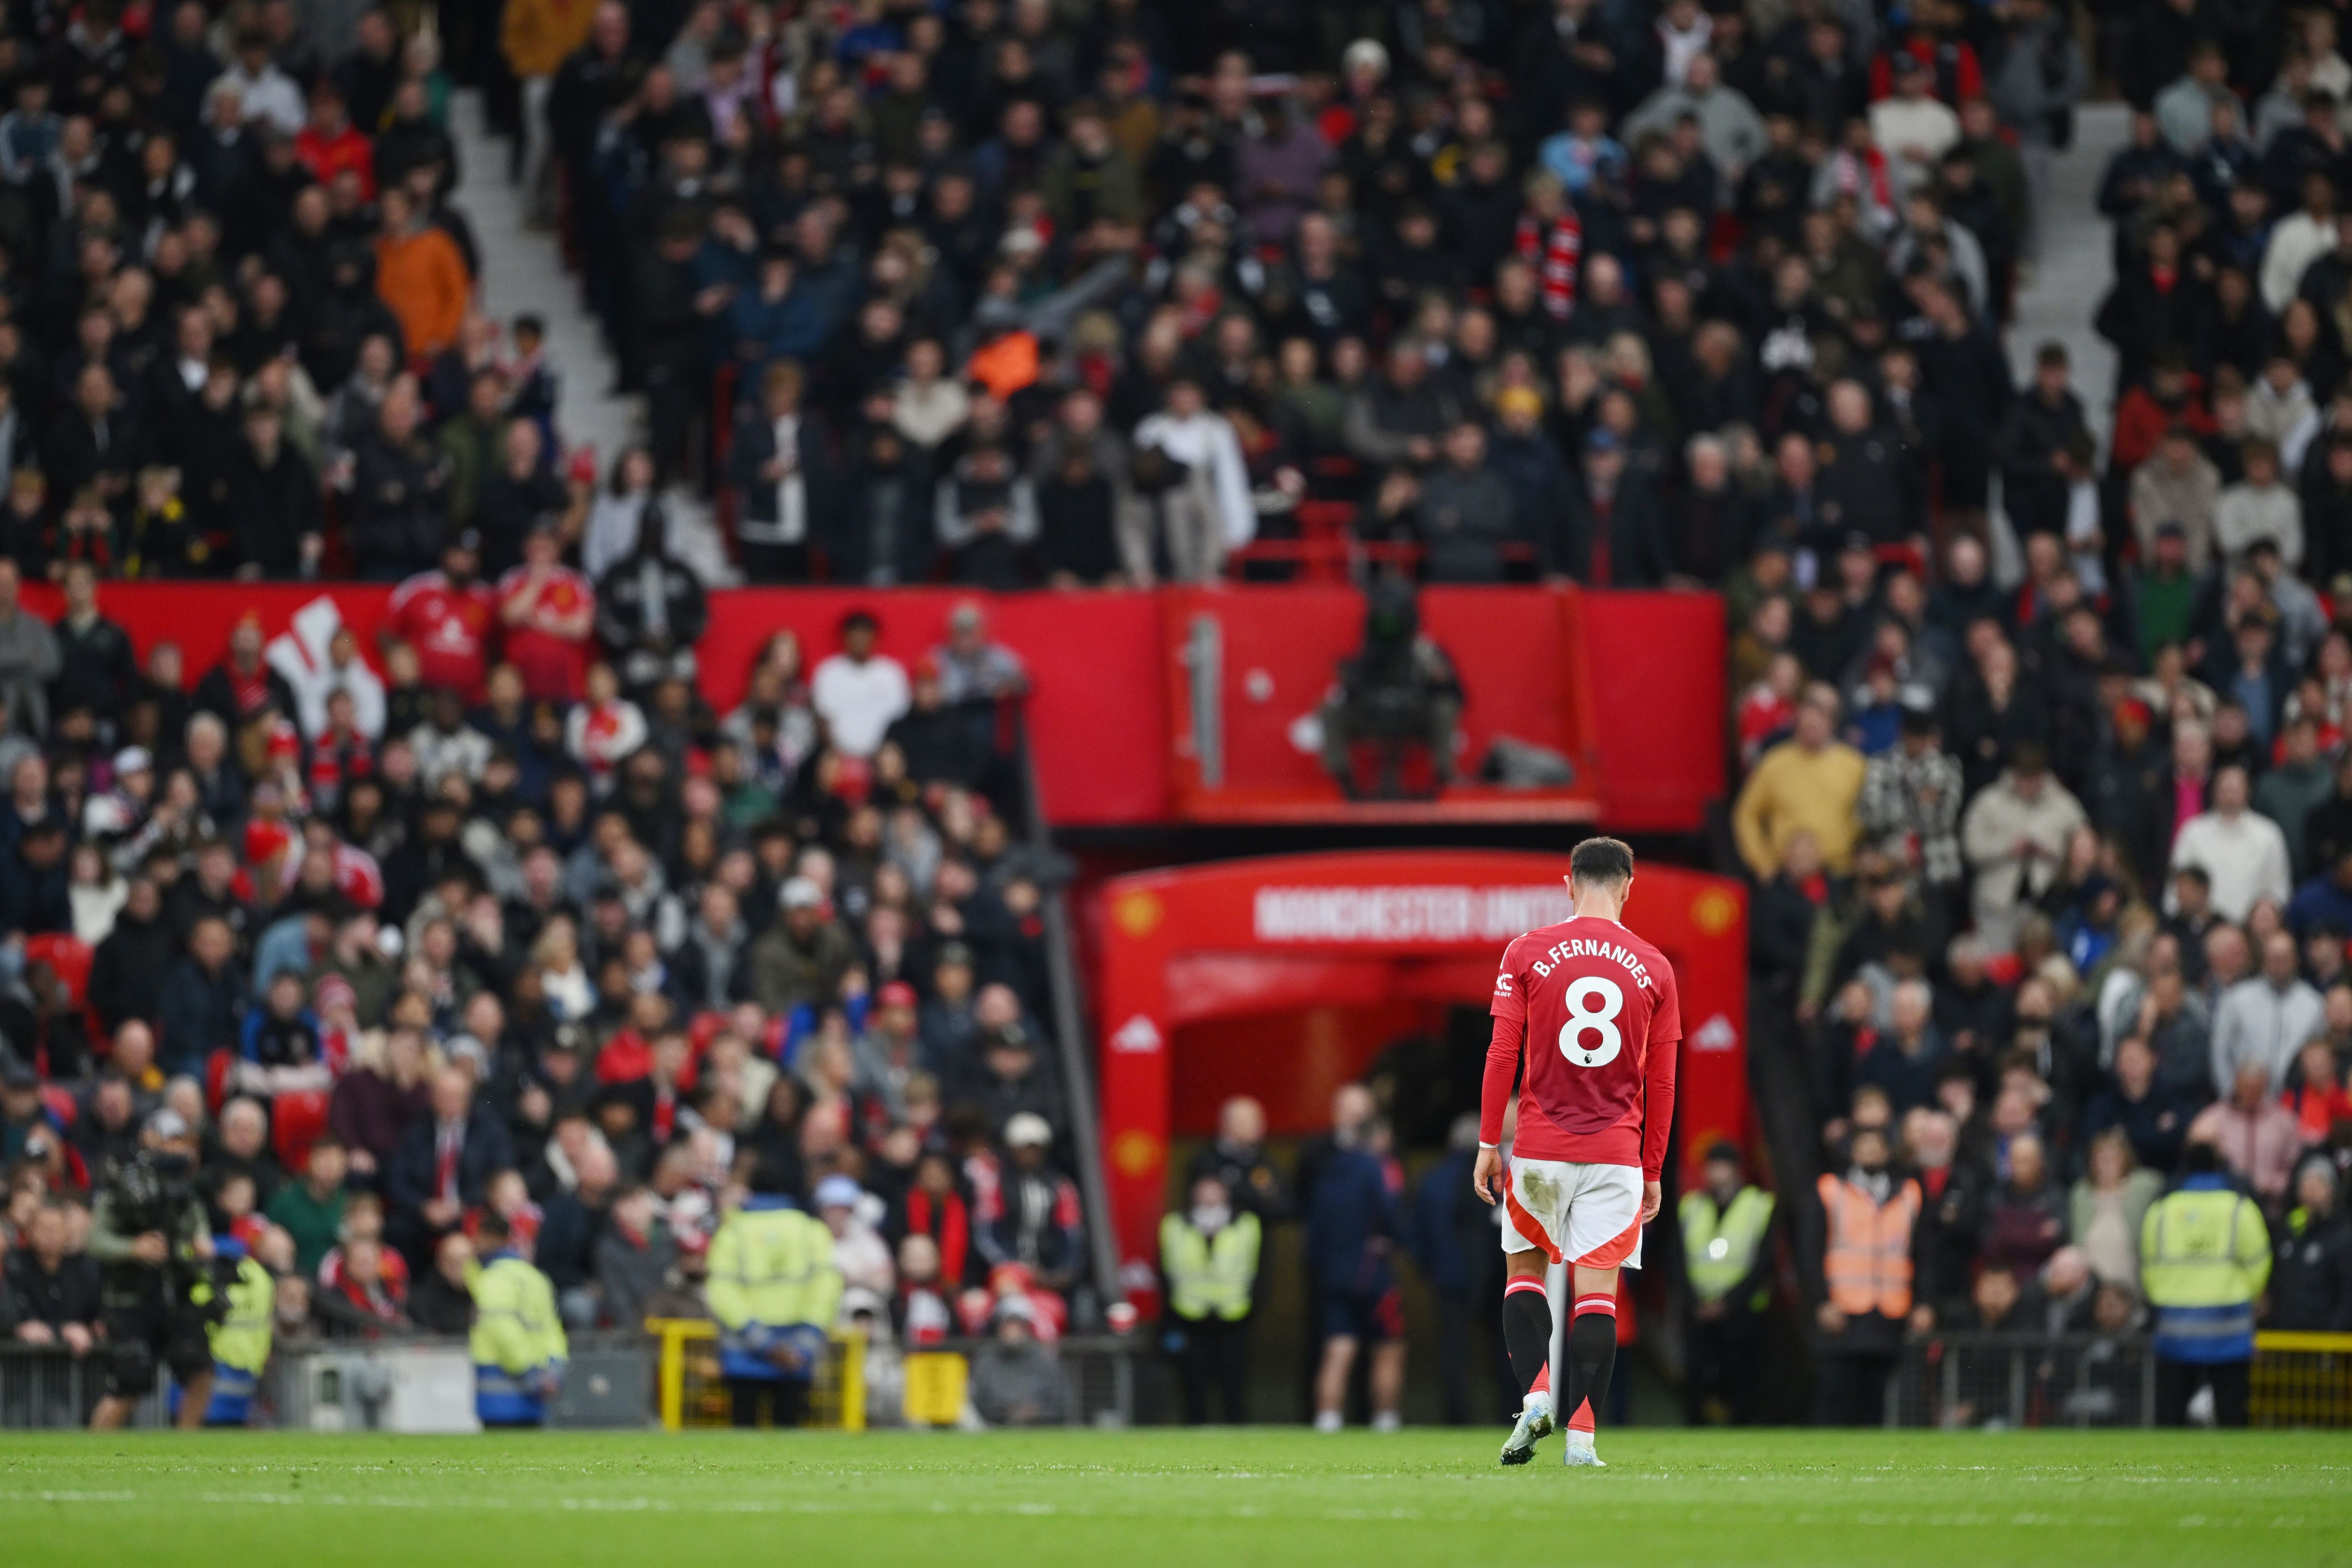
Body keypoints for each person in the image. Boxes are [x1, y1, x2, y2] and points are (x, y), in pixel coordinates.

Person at [1475, 835, 1681, 1466]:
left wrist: (1490, 1142)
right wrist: (1652, 1169)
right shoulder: (1655, 966)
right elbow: (1664, 1080)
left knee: (1525, 1276)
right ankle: (1583, 1442)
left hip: (1539, 1149)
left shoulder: (1527, 952)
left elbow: (1502, 1054)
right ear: (1628, 886)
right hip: (1616, 1154)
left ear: (1568, 884)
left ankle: (1536, 1398)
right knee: (1598, 1297)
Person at [87, 1110, 215, 1430]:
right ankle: (91, 1457)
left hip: (174, 1296)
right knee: (127, 1387)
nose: (178, 1148)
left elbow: (197, 1227)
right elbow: (95, 1240)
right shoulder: (124, 1183)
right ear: (150, 1139)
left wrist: (200, 1241)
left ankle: (186, 1452)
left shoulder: (184, 1187)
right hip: (131, 1299)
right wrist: (133, 1248)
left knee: (201, 1373)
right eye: (171, 1139)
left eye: (182, 1141)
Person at [2141, 1139, 2271, 1427]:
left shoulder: (2161, 1210)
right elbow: (2260, 1261)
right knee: (2232, 1417)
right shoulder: (2239, 1208)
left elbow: (2149, 1265)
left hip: (2175, 1329)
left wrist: (2166, 1296)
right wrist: (2245, 1294)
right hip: (2229, 1329)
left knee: (2169, 1420)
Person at [1808, 1123, 1921, 1426]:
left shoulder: (1910, 1192)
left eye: (1877, 1145)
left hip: (1889, 1311)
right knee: (1836, 1400)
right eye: (1864, 1145)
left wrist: (1924, 1302)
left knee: (1876, 1403)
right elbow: (1810, 1251)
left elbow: (1923, 1254)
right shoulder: (1831, 1189)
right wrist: (1821, 1301)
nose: (1871, 1151)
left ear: (1889, 1152)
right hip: (1842, 1312)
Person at [706, 1187, 842, 1427]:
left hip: (744, 1347)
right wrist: (807, 1339)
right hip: (797, 1347)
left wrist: (761, 1340)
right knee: (790, 1430)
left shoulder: (733, 1230)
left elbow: (720, 1289)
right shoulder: (812, 1230)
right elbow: (827, 1286)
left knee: (742, 1430)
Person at [1679, 1140, 1775, 1426]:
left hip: (1742, 1312)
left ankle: (1742, 1426)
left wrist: (1728, 1303)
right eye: (1712, 1167)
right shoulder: (1691, 1206)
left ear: (1737, 1170)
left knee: (1740, 1376)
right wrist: (1695, 1302)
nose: (1717, 1173)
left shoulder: (1760, 1205)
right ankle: (1695, 1429)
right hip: (1698, 1310)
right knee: (1696, 1376)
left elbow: (1764, 1264)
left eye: (1723, 1166)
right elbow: (1677, 1258)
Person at [1159, 1173, 1261, 1426]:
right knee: (1193, 1377)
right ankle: (1195, 1425)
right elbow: (1164, 1270)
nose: (1209, 1195)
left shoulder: (1246, 1224)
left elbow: (1260, 1269)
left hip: (1234, 1312)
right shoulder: (1175, 1224)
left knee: (1233, 1376)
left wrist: (1255, 1305)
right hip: (1189, 1312)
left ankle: (1235, 1426)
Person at [469, 1210, 567, 1426]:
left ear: (489, 1237)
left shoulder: (493, 1280)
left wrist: (527, 1372)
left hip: (502, 1392)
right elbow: (552, 1329)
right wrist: (554, 1369)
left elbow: (502, 1330)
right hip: (540, 1390)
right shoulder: (536, 1278)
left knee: (498, 1457)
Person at [189, 1234, 273, 1427]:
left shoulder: (207, 1273)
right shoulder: (260, 1275)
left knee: (201, 1419)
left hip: (213, 1356)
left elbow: (193, 1307)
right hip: (250, 1360)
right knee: (237, 1424)